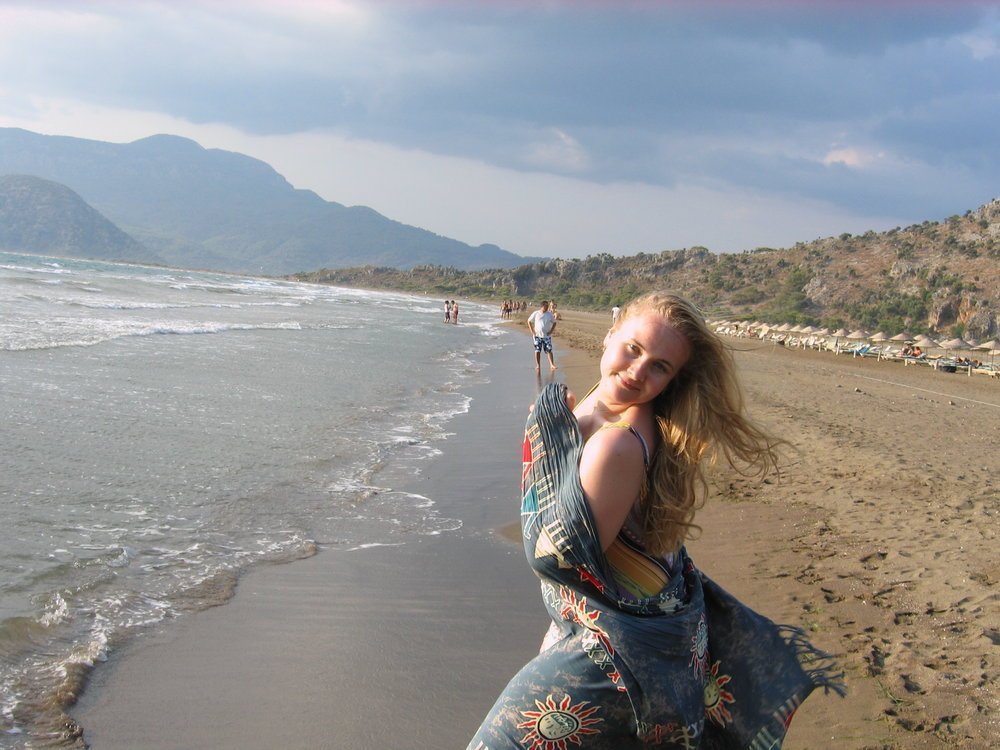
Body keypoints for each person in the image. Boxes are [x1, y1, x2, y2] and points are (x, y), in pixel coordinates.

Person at [470, 292, 842, 749]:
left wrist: (545, 441)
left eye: (659, 366)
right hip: (609, 630)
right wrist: (556, 434)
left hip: (619, 657)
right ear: (610, 335)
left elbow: (555, 556)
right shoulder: (599, 405)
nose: (637, 371)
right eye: (633, 349)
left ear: (671, 379)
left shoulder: (617, 444)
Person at [527, 300, 558, 372]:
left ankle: (552, 364)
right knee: (537, 350)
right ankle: (538, 365)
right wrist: (532, 331)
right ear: (542, 306)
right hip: (537, 336)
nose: (547, 307)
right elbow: (529, 321)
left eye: (547, 306)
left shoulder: (549, 314)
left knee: (549, 350)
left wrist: (551, 331)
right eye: (546, 306)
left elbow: (554, 323)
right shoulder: (536, 313)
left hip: (546, 336)